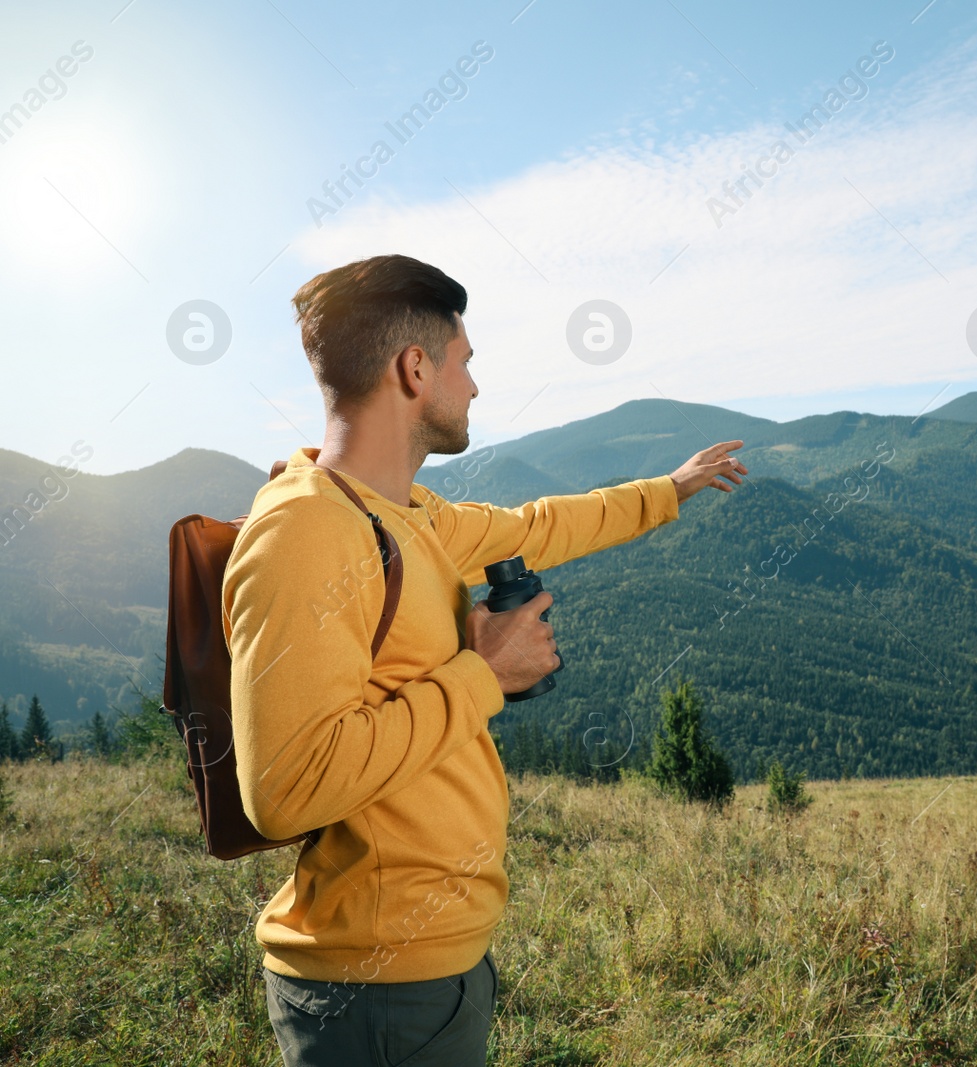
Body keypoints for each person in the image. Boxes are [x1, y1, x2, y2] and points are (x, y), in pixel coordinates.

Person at [221, 254, 747, 1066]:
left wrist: (669, 490)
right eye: (466, 363)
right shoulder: (307, 534)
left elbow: (538, 525)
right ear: (415, 367)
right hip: (375, 985)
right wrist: (484, 675)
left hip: (427, 969)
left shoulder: (403, 514)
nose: (474, 386)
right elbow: (284, 792)